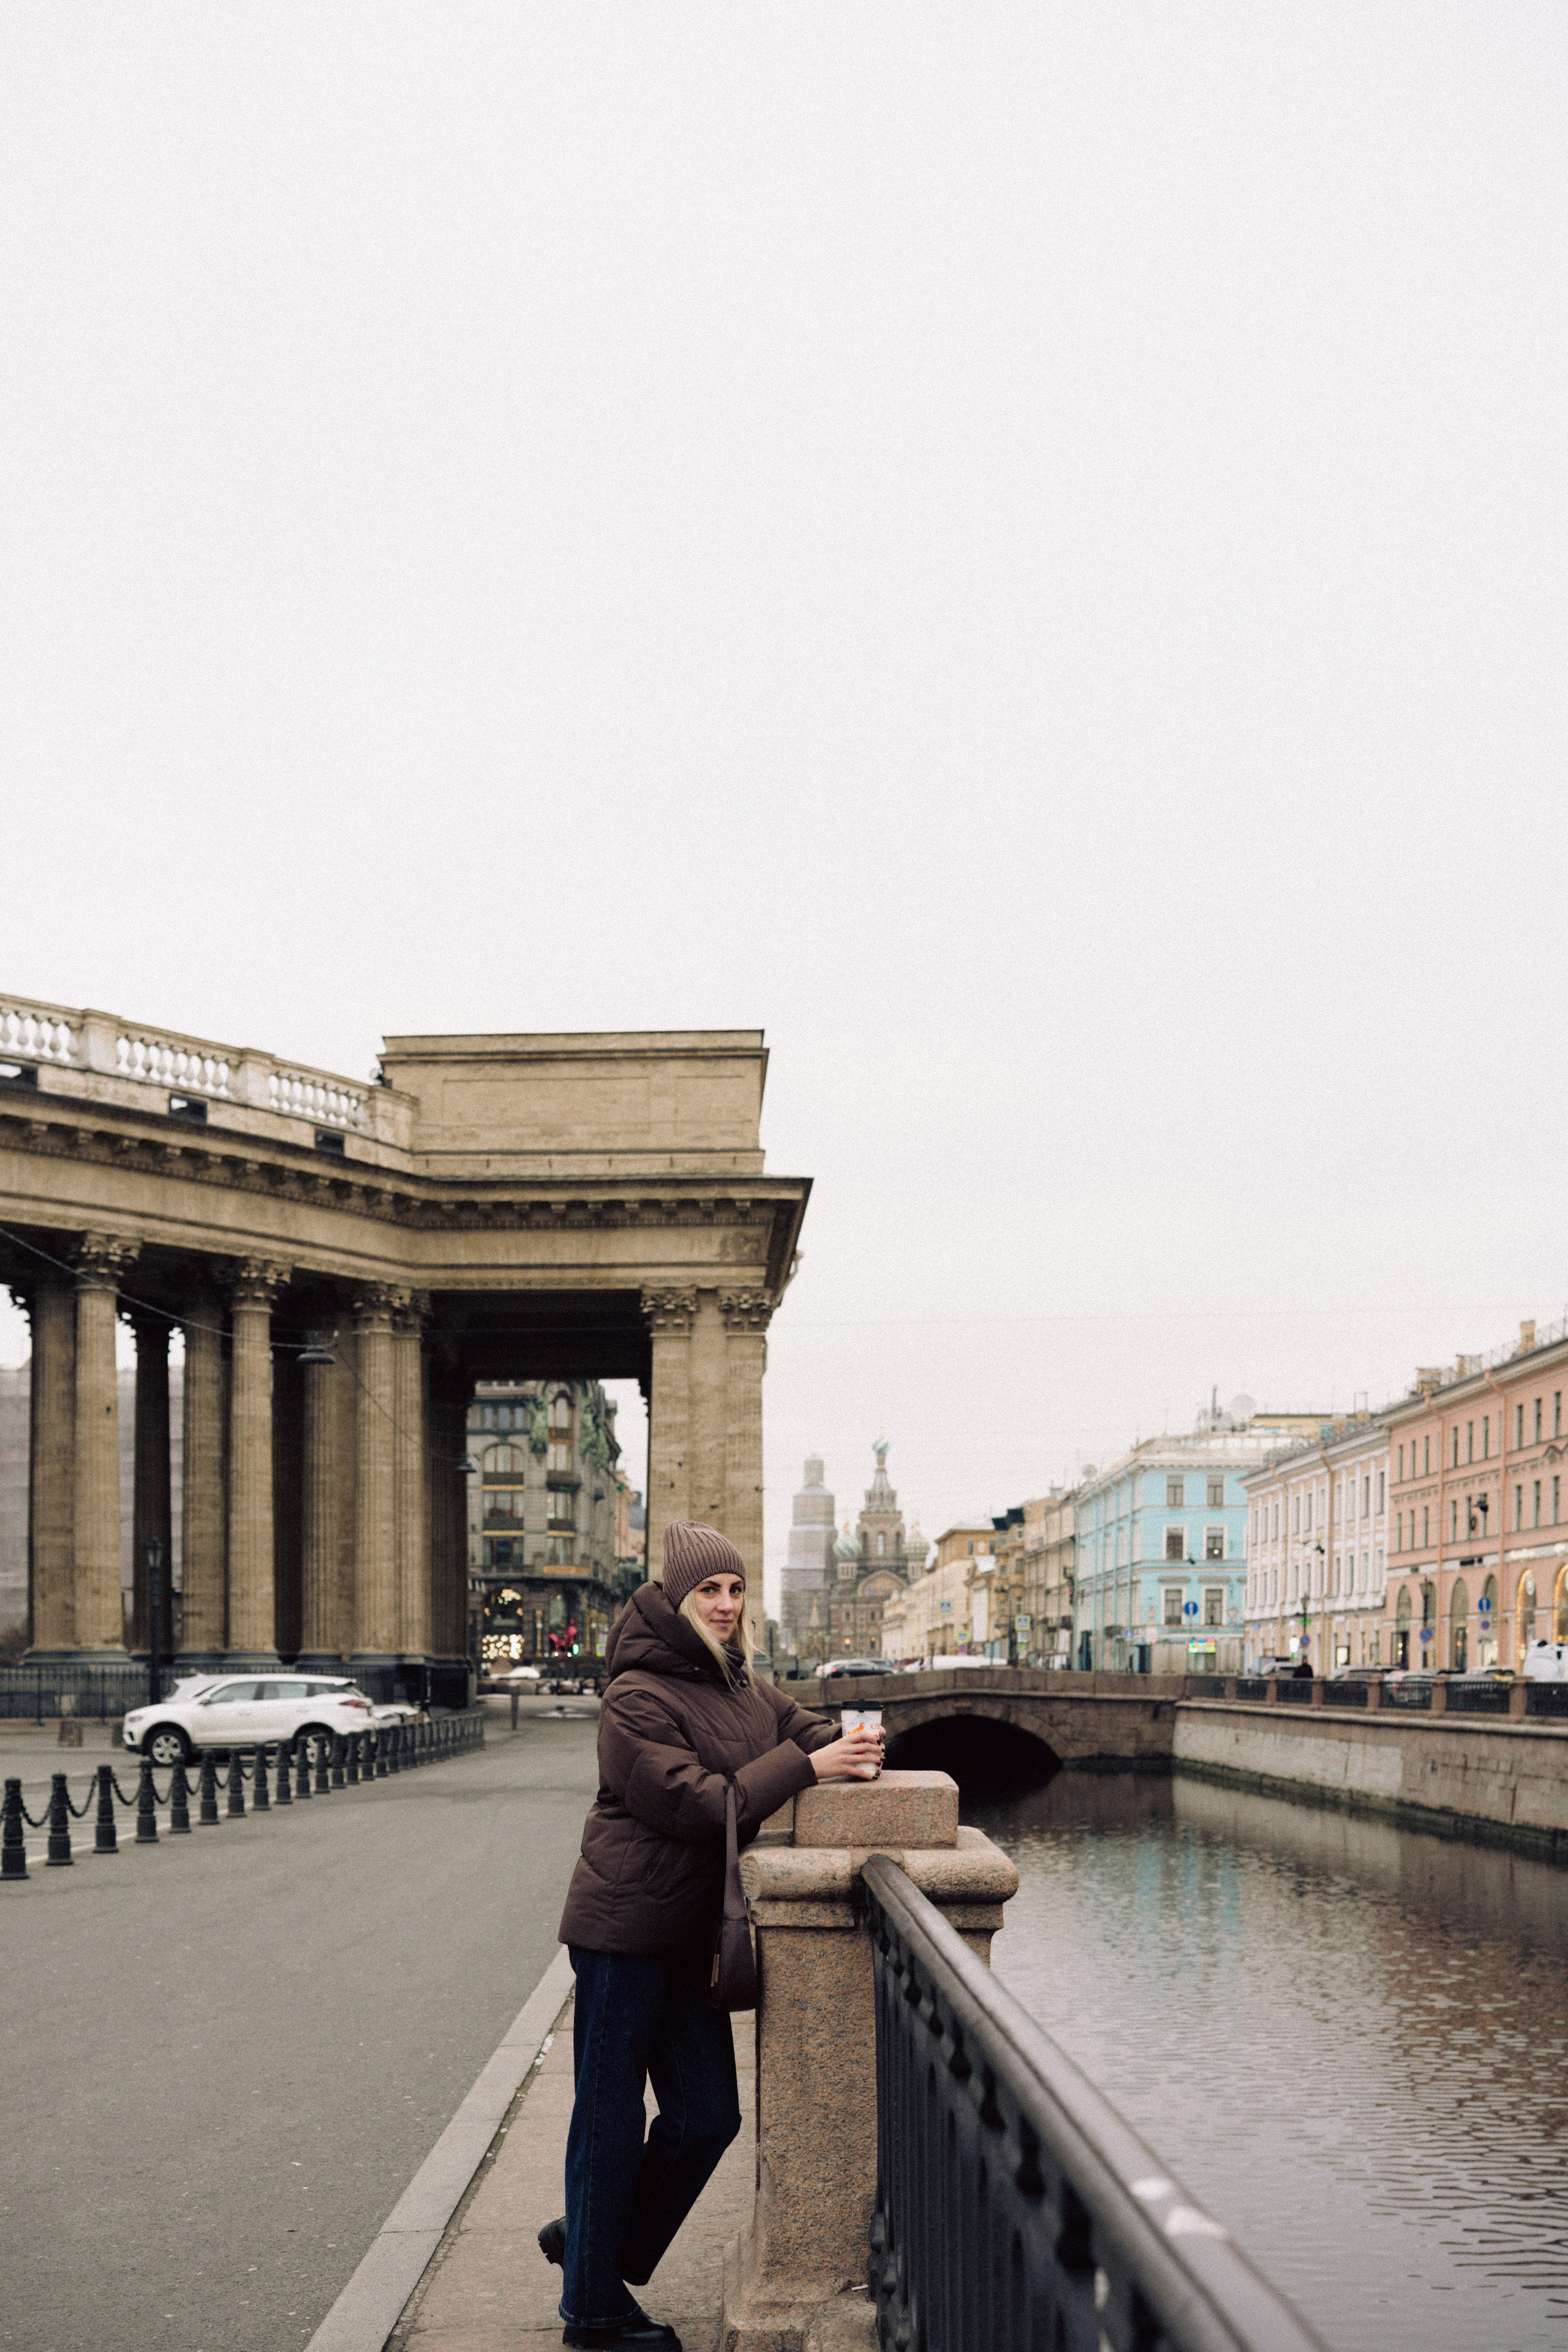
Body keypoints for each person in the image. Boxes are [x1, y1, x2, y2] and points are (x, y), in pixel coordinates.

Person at [540, 1520, 884, 2351]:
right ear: (676, 1597)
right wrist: (808, 1768)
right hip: (625, 1929)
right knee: (611, 2119)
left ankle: (590, 2249)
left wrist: (856, 1743)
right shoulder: (635, 1695)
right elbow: (697, 1802)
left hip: (689, 1933)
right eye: (710, 1590)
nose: (727, 1604)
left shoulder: (737, 1684)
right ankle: (591, 2312)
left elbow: (800, 1728)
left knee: (707, 2118)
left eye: (735, 1589)